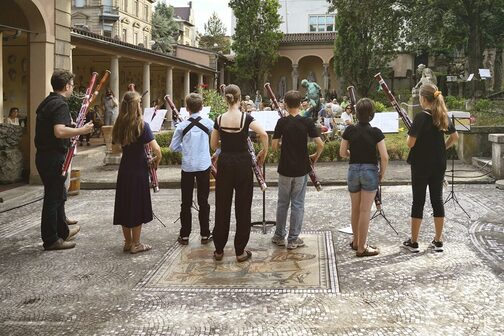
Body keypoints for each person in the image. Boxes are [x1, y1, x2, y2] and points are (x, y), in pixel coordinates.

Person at [34, 69, 93, 250]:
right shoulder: (60, 104)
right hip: (53, 157)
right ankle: (52, 239)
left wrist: (70, 126)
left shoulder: (48, 101)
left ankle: (62, 231)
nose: (72, 88)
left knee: (58, 196)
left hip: (44, 156)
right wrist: (81, 131)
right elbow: (58, 131)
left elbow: (55, 126)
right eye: (72, 85)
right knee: (53, 199)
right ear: (67, 85)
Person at [210, 84, 268, 262]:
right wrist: (263, 153)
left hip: (226, 163)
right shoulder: (246, 117)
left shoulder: (219, 119)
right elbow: (264, 134)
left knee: (222, 206)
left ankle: (219, 250)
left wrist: (225, 144)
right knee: (243, 207)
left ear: (225, 98)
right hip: (243, 163)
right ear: (240, 98)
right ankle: (240, 251)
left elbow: (213, 145)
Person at [402, 84, 458, 253]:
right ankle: (438, 241)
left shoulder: (421, 117)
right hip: (439, 163)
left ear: (423, 99)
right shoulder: (442, 115)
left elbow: (410, 143)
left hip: (421, 164)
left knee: (418, 200)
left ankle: (413, 242)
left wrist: (409, 134)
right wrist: (442, 148)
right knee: (437, 199)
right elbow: (454, 137)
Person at [271, 90, 324, 249]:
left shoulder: (282, 122)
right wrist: (315, 156)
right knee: (298, 204)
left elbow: (274, 147)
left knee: (282, 203)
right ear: (301, 104)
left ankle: (279, 236)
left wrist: (283, 144)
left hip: (285, 168)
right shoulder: (307, 122)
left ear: (285, 105)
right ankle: (293, 239)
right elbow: (320, 144)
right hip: (301, 169)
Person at [112, 91, 162, 254]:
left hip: (125, 168)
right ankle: (137, 244)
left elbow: (116, 149)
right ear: (136, 106)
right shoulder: (142, 124)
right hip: (139, 169)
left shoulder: (118, 124)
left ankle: (127, 242)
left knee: (125, 203)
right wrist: (157, 160)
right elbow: (157, 149)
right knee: (137, 204)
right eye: (139, 103)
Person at [339, 98, 389, 257]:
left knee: (355, 209)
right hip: (370, 171)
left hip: (353, 171)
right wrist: (381, 173)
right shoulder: (376, 132)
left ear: (356, 113)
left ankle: (355, 241)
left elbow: (342, 153)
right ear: (371, 115)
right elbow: (384, 156)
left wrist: (351, 154)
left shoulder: (349, 130)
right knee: (365, 210)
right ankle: (362, 248)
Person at [169, 93, 214, 246]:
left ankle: (185, 235)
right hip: (203, 165)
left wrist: (186, 148)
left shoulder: (181, 126)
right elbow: (216, 142)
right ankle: (205, 234)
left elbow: (173, 147)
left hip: (188, 167)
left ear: (186, 108)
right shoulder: (209, 123)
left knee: (185, 202)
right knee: (204, 201)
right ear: (201, 107)